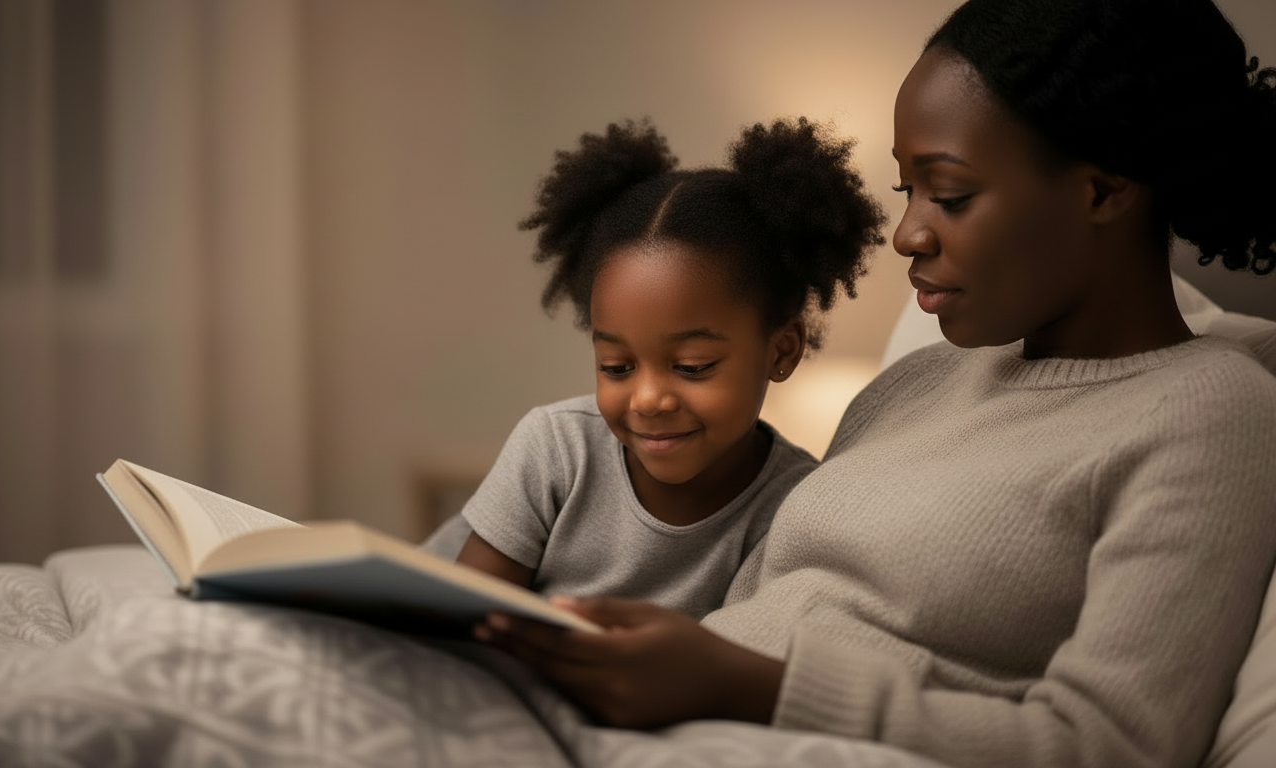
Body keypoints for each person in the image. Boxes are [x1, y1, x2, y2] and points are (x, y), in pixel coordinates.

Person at [474, 1, 1276, 767]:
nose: (907, 234)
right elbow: (761, 613)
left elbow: (1109, 747)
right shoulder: (914, 385)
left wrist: (742, 685)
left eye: (950, 194)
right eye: (907, 190)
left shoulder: (1208, 410)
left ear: (1104, 189)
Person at [447, 117, 889, 619]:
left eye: (692, 366)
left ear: (782, 351)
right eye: (616, 367)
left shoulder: (792, 508)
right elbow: (461, 623)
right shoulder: (556, 450)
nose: (648, 399)